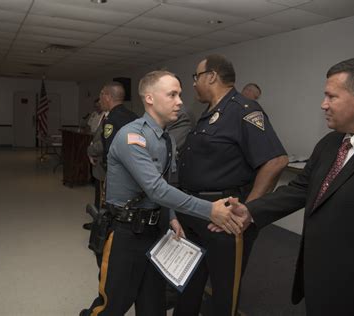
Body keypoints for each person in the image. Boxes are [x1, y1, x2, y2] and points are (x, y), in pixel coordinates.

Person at [80, 70, 244, 316]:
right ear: (150, 98)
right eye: (172, 94)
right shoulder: (131, 136)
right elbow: (157, 189)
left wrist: (172, 217)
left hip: (155, 234)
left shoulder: (166, 139)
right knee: (111, 305)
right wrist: (210, 210)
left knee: (153, 306)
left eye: (180, 94)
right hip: (126, 234)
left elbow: (170, 184)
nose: (179, 101)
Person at [224, 57, 354, 316]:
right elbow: (300, 189)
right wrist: (250, 211)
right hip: (319, 279)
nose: (323, 104)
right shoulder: (331, 143)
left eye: (331, 97)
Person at [173, 54, 288, 316]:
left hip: (224, 217)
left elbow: (275, 161)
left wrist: (247, 210)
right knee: (190, 281)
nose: (194, 84)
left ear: (211, 76)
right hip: (196, 211)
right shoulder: (209, 113)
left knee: (225, 290)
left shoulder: (244, 110)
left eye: (196, 77)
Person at [99, 81, 138, 168]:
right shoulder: (134, 116)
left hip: (118, 171)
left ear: (107, 97)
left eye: (101, 95)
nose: (100, 100)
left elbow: (110, 150)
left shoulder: (111, 119)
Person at [83, 99, 108, 231]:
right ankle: (98, 220)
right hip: (98, 157)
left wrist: (91, 150)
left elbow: (104, 141)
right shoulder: (102, 116)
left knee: (102, 196)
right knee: (99, 194)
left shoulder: (111, 118)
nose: (97, 105)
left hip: (103, 162)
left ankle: (99, 224)